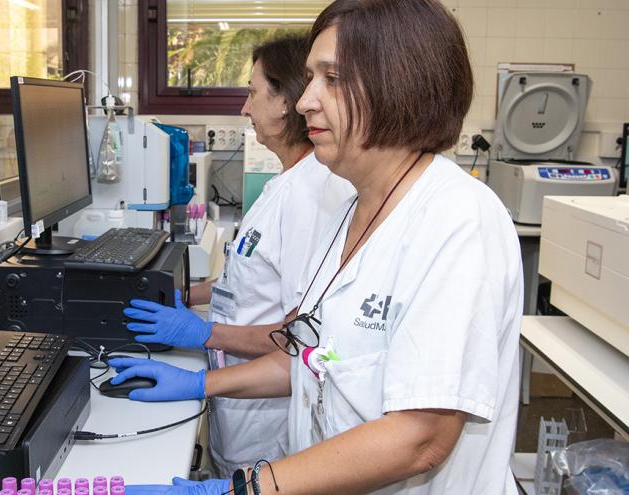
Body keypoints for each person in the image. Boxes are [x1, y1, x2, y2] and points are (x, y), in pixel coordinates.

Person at [117, 0, 523, 493]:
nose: (306, 100)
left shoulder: (458, 220)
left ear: (400, 84)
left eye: (330, 78)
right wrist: (199, 384)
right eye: (310, 78)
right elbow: (312, 359)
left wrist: (242, 489)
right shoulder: (352, 213)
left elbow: (423, 437)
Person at [121, 36, 354, 476]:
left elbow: (300, 334)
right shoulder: (283, 184)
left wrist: (207, 333)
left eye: (252, 92)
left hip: (267, 422)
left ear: (286, 101)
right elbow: (250, 282)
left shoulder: (311, 195)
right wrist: (185, 295)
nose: (244, 109)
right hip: (239, 404)